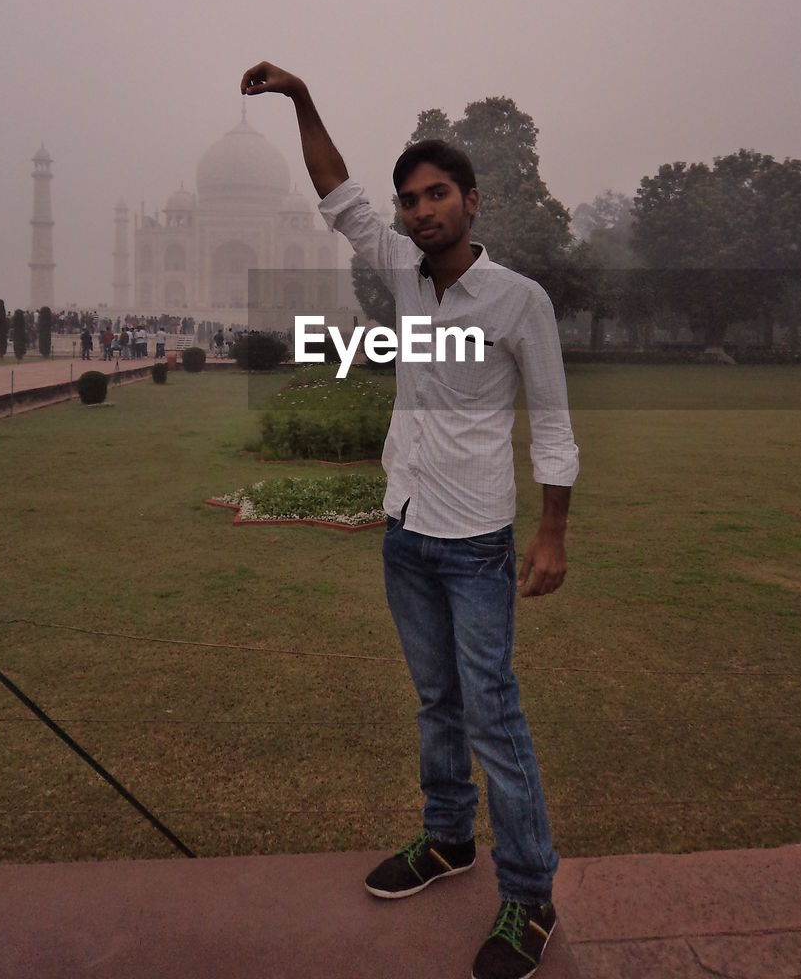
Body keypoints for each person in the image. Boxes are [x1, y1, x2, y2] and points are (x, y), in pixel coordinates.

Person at [241, 62, 579, 979]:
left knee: (492, 715)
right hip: (408, 528)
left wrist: (550, 534)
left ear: (471, 201)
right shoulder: (401, 272)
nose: (421, 211)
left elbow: (550, 421)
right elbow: (335, 191)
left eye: (437, 195)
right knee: (436, 703)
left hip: (475, 543)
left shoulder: (518, 302)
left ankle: (529, 899)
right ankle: (446, 840)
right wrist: (302, 97)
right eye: (411, 200)